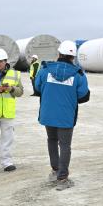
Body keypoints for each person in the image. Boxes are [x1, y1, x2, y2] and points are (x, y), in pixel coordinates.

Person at [34, 41, 89, 190]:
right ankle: (62, 178)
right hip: (66, 115)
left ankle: (55, 170)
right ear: (73, 57)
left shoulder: (45, 70)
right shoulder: (78, 74)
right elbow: (83, 95)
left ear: (59, 54)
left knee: (52, 140)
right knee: (64, 145)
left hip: (48, 113)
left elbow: (37, 87)